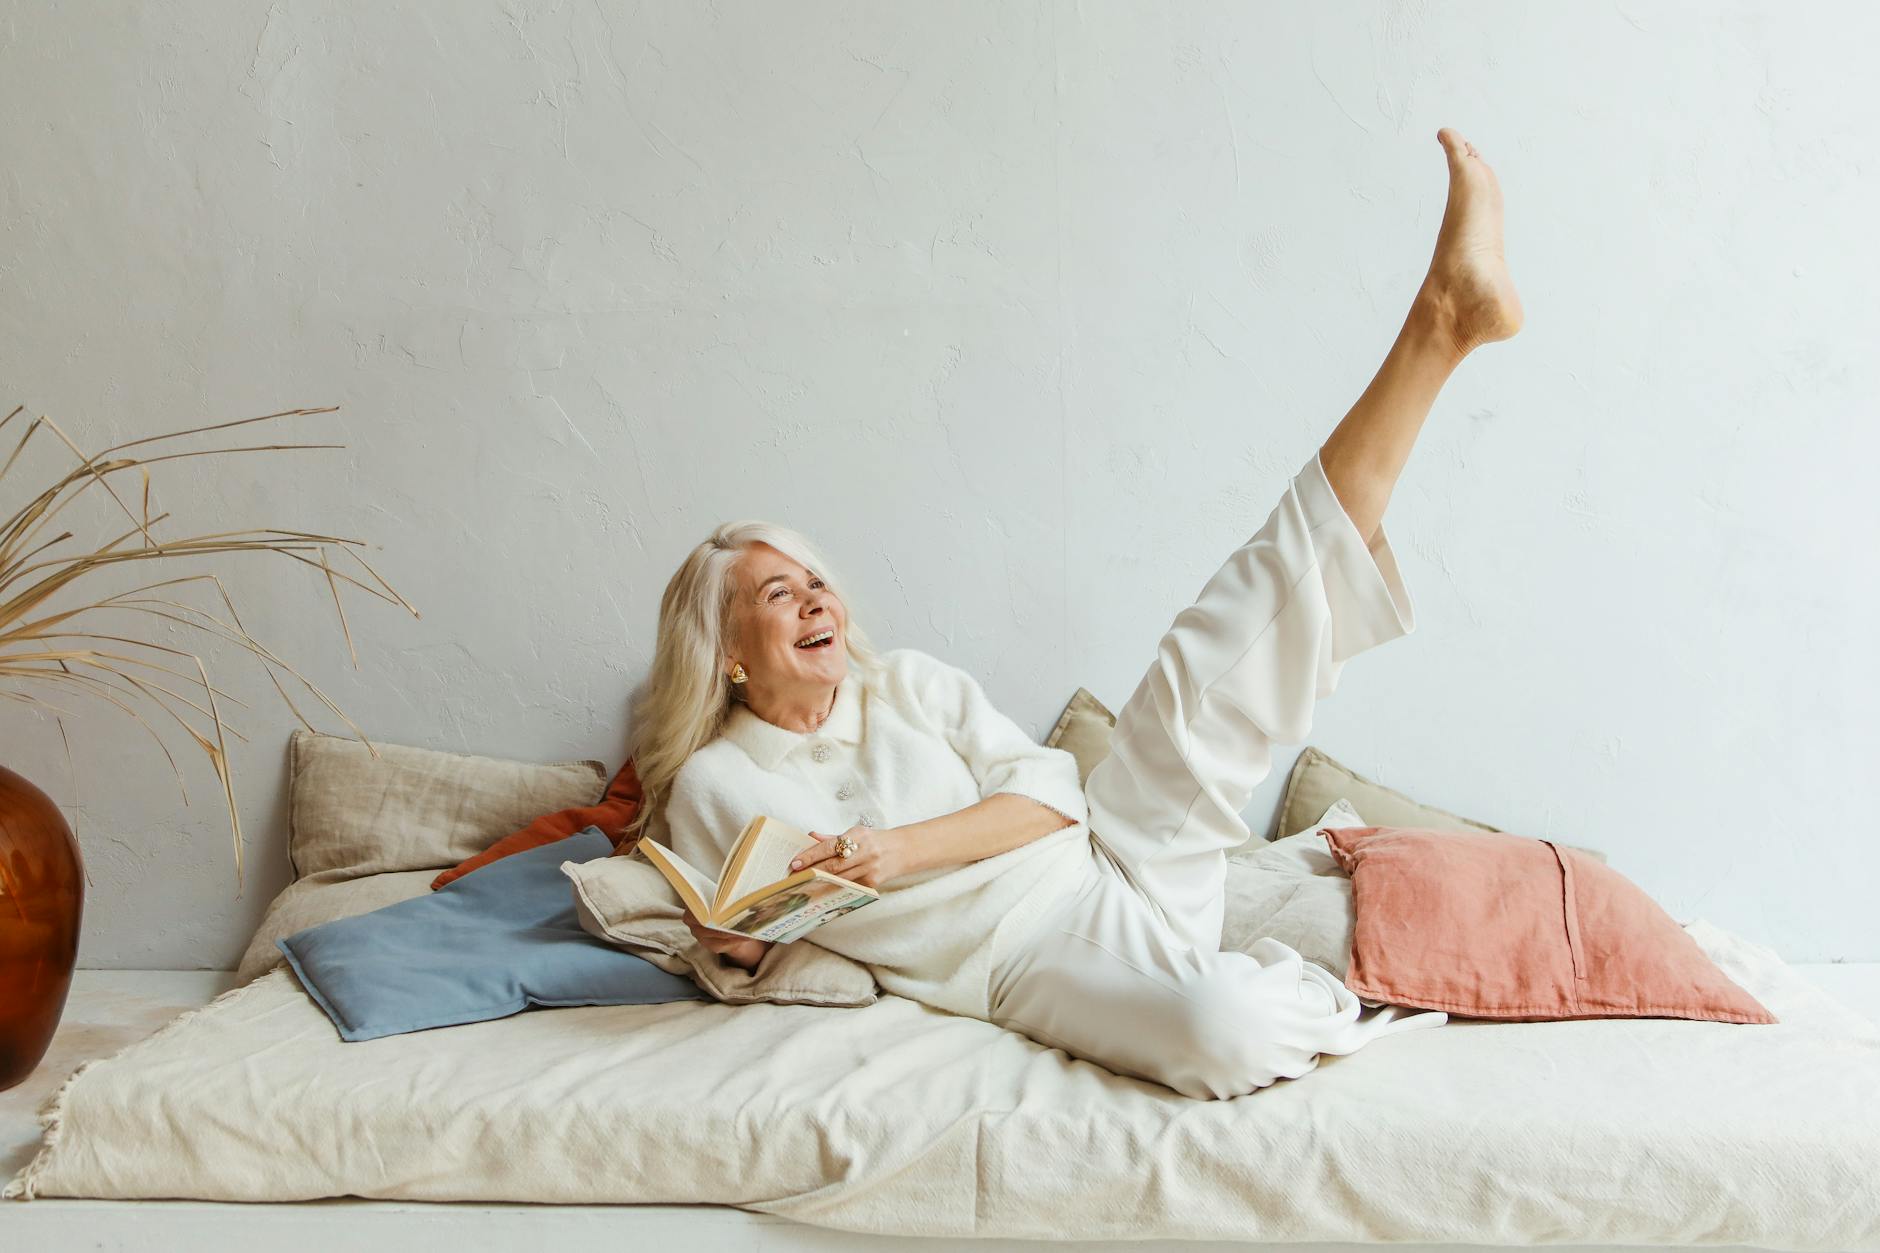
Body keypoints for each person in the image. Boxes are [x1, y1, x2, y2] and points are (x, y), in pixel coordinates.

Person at [618, 127, 1523, 1100]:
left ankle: (1439, 326)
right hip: (1022, 957)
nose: (815, 598)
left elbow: (1049, 795)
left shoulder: (908, 683)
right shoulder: (715, 781)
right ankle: (1297, 992)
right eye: (776, 592)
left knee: (1205, 664)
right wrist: (731, 943)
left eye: (815, 578)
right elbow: (752, 938)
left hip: (1103, 847)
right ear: (729, 654)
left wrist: (893, 849)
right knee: (1222, 1028)